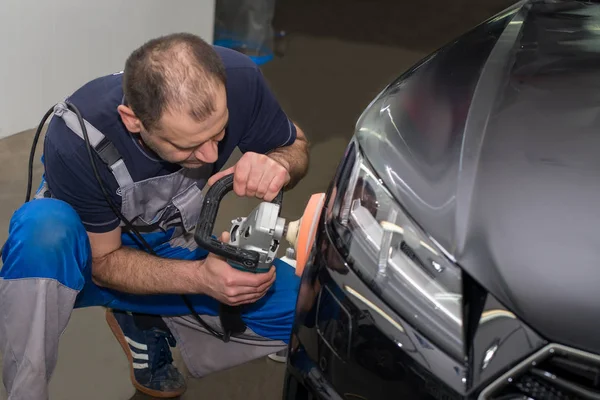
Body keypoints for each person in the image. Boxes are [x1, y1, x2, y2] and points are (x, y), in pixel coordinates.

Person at [0, 32, 309, 399]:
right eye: (188, 145)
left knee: (306, 313)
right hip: (87, 258)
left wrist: (279, 164)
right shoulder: (76, 139)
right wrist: (200, 278)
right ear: (133, 121)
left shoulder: (238, 79)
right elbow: (105, 262)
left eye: (220, 132)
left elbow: (295, 146)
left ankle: (145, 320)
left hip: (171, 242)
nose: (212, 156)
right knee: (41, 231)